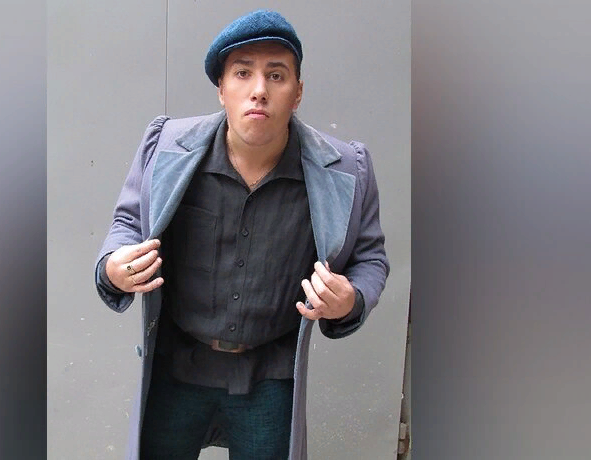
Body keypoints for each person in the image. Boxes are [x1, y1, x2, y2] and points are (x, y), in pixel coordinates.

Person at [94, 9, 389, 460]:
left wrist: (350, 299)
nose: (259, 90)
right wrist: (113, 268)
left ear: (298, 92)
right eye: (243, 73)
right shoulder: (167, 147)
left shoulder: (345, 169)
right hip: (177, 368)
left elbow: (371, 259)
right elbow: (127, 225)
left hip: (270, 377)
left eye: (277, 75)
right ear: (222, 89)